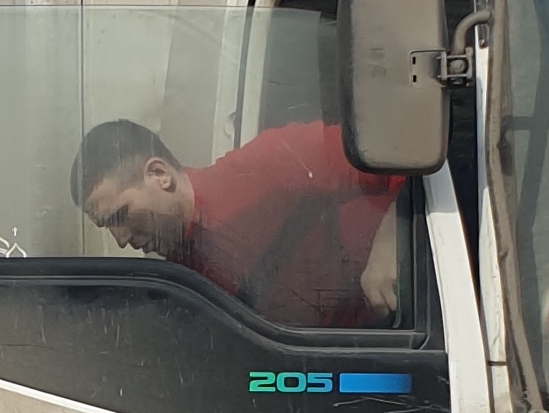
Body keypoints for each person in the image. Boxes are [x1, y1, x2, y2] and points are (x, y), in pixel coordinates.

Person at [70, 113, 404, 328]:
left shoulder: (271, 162)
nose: (120, 240)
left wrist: (394, 236)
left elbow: (410, 153)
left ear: (159, 174)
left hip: (400, 345)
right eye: (107, 226)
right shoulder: (179, 280)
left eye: (121, 215)